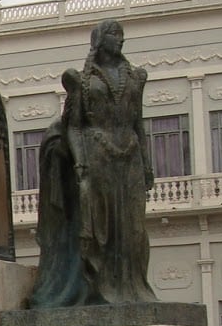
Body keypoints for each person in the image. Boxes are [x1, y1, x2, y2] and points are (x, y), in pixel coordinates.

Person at [28, 19, 158, 308]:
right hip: (96, 154)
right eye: (114, 34)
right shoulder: (81, 80)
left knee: (134, 228)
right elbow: (73, 126)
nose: (120, 40)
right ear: (99, 40)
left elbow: (138, 124)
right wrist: (81, 163)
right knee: (101, 229)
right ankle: (100, 289)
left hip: (130, 157)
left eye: (122, 35)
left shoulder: (135, 77)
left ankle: (133, 288)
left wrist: (147, 164)